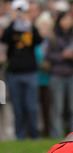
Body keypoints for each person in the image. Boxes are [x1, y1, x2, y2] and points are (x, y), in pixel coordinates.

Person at [1, 0, 42, 139]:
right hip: (14, 73)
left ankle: (35, 136)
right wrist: (13, 21)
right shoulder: (11, 27)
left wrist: (30, 24)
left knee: (32, 107)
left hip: (30, 72)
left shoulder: (30, 26)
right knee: (17, 108)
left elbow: (38, 40)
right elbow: (5, 38)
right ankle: (20, 136)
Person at [45, 10, 73, 138]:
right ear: (59, 21)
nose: (67, 22)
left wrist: (72, 56)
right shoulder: (53, 37)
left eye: (69, 19)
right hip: (57, 75)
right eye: (64, 19)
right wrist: (62, 56)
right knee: (57, 108)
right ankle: (57, 135)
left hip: (72, 75)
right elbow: (48, 55)